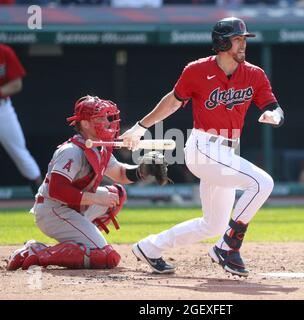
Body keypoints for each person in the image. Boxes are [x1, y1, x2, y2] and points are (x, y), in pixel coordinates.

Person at [121, 17, 284, 277]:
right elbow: (173, 102)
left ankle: (149, 247)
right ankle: (229, 247)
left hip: (227, 152)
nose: (243, 44)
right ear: (221, 42)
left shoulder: (254, 74)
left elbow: (272, 105)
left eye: (244, 39)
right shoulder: (197, 70)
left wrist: (274, 115)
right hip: (203, 148)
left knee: (213, 224)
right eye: (237, 39)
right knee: (262, 183)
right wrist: (141, 127)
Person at [6, 95, 169, 271]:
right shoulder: (71, 151)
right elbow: (56, 190)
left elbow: (121, 174)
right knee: (107, 258)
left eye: (107, 117)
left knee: (117, 194)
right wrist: (96, 198)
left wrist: (143, 170)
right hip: (53, 210)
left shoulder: (99, 146)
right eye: (100, 118)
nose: (107, 122)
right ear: (84, 123)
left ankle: (83, 242)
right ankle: (37, 252)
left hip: (72, 207)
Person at [0, 43, 42, 194]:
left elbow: (17, 84)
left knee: (19, 151)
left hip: (2, 108)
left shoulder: (4, 52)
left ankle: (41, 194)